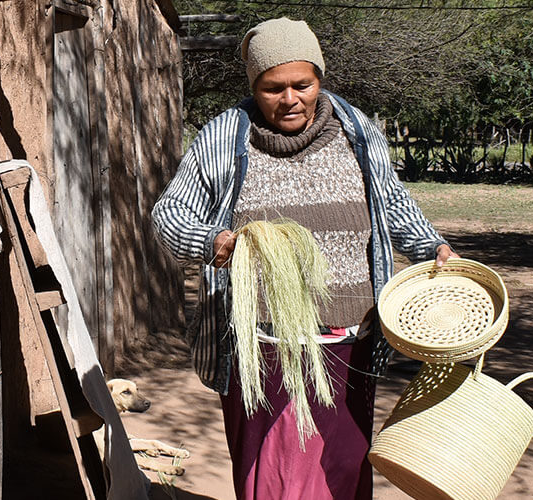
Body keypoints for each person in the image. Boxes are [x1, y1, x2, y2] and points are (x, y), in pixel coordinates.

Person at [152, 17, 458, 500]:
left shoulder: (356, 130)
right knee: (272, 476)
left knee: (340, 467)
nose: (290, 98)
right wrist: (216, 242)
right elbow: (170, 214)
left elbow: (393, 203)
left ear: (320, 78)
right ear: (255, 87)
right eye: (273, 88)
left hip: (348, 342)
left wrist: (431, 246)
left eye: (302, 84)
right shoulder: (224, 137)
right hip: (261, 344)